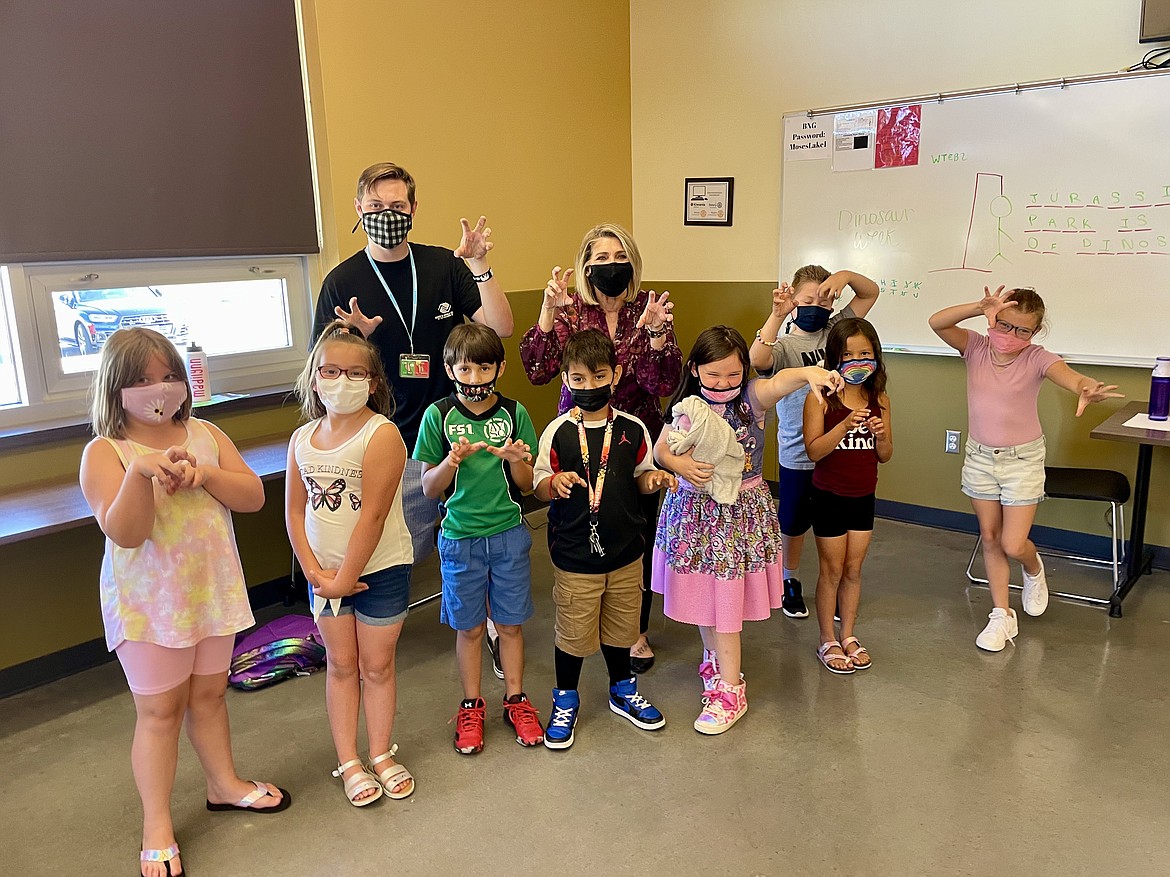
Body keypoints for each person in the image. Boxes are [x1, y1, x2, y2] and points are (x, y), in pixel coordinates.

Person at [79, 328, 289, 877]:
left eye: (169, 375)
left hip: (211, 593)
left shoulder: (206, 433)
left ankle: (224, 785)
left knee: (210, 697)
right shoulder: (106, 453)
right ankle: (157, 824)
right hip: (150, 608)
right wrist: (141, 476)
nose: (159, 388)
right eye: (142, 379)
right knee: (159, 712)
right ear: (115, 388)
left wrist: (208, 474)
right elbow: (126, 533)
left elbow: (253, 497)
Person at [312, 162, 514, 564]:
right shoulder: (341, 280)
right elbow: (323, 373)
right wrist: (353, 342)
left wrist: (478, 266)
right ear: (358, 208)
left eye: (397, 206)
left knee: (479, 541)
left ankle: (484, 619)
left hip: (457, 429)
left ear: (414, 209)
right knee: (402, 553)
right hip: (392, 440)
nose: (387, 214)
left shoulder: (443, 265)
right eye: (375, 204)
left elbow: (501, 327)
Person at [653, 326, 843, 734]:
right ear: (695, 369)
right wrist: (679, 465)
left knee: (725, 605)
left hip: (737, 516)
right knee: (704, 594)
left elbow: (779, 381)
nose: (723, 383)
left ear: (744, 372)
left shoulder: (750, 401)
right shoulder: (687, 405)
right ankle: (714, 661)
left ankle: (731, 688)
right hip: (692, 514)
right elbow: (661, 449)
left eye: (733, 374)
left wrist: (810, 375)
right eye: (713, 374)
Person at [520, 223, 681, 673]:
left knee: (637, 533)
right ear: (585, 266)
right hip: (578, 438)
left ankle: (635, 631)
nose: (610, 266)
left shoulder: (650, 308)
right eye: (600, 258)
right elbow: (537, 369)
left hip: (635, 439)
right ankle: (581, 619)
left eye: (618, 257)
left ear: (631, 263)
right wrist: (547, 313)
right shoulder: (569, 310)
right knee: (578, 523)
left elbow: (662, 382)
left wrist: (653, 336)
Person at [929, 286, 1123, 651]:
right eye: (1004, 326)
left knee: (1013, 543)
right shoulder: (974, 347)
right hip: (980, 457)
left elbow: (1068, 375)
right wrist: (978, 306)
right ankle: (1002, 615)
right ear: (993, 320)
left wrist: (1085, 386)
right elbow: (937, 322)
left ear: (1035, 333)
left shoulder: (1037, 357)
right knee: (989, 537)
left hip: (1023, 460)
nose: (1011, 336)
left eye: (1023, 330)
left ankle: (1033, 570)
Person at [286, 322, 415, 806]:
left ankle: (380, 753)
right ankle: (350, 760)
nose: (342, 381)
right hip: (324, 577)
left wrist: (343, 579)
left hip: (378, 572)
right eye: (331, 371)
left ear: (374, 382)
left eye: (355, 372)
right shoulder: (301, 438)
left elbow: (374, 515)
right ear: (314, 379)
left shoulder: (381, 436)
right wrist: (317, 574)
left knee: (376, 666)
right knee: (341, 666)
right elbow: (293, 512)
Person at [532, 329, 678, 750]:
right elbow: (540, 484)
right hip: (576, 553)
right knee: (574, 633)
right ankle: (565, 697)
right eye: (578, 379)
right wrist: (553, 483)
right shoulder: (557, 432)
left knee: (622, 627)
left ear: (615, 376)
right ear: (565, 380)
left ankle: (622, 688)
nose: (589, 387)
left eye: (598, 377)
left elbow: (642, 476)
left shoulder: (633, 428)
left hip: (626, 551)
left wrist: (655, 479)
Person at [414, 323, 545, 754]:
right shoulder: (437, 416)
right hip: (458, 539)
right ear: (450, 369)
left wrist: (515, 459)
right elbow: (430, 487)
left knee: (509, 624)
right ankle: (471, 704)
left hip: (508, 534)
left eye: (483, 368)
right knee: (469, 629)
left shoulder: (515, 413)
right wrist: (450, 462)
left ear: (500, 368)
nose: (474, 379)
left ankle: (516, 698)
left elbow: (526, 485)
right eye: (464, 370)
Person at [748, 265, 878, 619]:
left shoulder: (837, 332)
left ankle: (832, 585)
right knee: (793, 520)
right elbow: (758, 359)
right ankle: (790, 578)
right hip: (798, 451)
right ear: (793, 300)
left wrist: (845, 276)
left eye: (823, 300)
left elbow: (870, 292)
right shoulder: (787, 344)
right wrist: (778, 315)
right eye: (807, 300)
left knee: (831, 524)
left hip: (839, 453)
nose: (815, 307)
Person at [803, 318, 893, 674]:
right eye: (848, 354)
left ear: (876, 356)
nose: (857, 361)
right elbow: (814, 451)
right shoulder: (820, 398)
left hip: (863, 496)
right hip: (828, 496)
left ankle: (849, 634)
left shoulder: (880, 399)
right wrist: (843, 425)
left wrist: (881, 434)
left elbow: (884, 454)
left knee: (854, 570)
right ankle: (827, 639)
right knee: (832, 570)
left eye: (865, 353)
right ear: (834, 358)